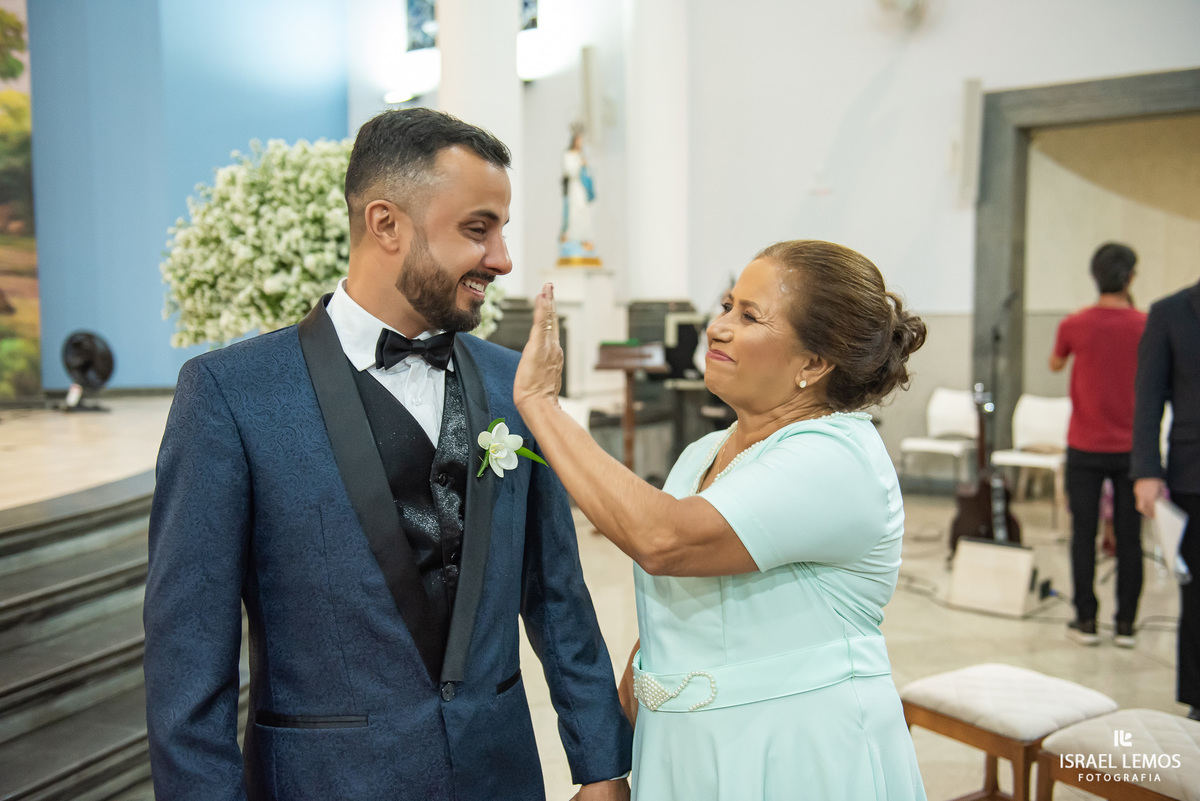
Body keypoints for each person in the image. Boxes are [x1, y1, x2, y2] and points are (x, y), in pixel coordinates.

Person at [143, 108, 633, 801]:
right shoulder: (231, 394)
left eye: (502, 228)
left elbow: (557, 595)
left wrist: (602, 764)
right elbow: (189, 660)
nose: (502, 258)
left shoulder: (511, 383)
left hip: (499, 778)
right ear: (386, 224)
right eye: (477, 228)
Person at [513, 240, 928, 800]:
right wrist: (607, 764)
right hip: (686, 755)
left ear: (813, 363)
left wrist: (541, 404)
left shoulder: (836, 456)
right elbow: (670, 628)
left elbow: (661, 540)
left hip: (796, 755)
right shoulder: (701, 454)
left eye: (749, 316)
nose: (718, 327)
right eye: (728, 305)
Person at [1049, 243, 1146, 647]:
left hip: (1085, 444)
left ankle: (1085, 620)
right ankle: (1125, 625)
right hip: (1132, 447)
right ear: (1131, 278)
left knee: (1083, 534)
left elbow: (1055, 363)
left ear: (1095, 276)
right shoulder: (1146, 324)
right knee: (1129, 537)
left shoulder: (1075, 324)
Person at [1131, 275, 1200, 720]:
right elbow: (1149, 399)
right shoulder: (1171, 312)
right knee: (1196, 596)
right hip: (1193, 474)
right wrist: (1147, 472)